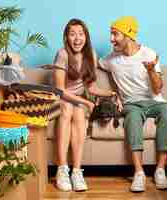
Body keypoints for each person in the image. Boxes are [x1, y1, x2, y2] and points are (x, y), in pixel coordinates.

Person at [99, 16, 167, 192]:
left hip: (154, 101)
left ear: (128, 35)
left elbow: (157, 90)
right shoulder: (111, 59)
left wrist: (151, 72)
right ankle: (139, 173)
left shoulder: (148, 54)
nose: (111, 39)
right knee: (132, 118)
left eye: (115, 34)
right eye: (111, 34)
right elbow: (90, 64)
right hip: (132, 104)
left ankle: (160, 171)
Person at [54, 18, 116, 192]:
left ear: (86, 37)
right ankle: (62, 169)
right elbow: (59, 90)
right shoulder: (62, 54)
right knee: (67, 108)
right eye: (72, 34)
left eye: (81, 34)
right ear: (66, 37)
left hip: (78, 100)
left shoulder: (91, 55)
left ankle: (76, 171)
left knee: (79, 112)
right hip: (62, 97)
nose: (77, 38)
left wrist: (112, 93)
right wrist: (86, 102)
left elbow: (91, 87)